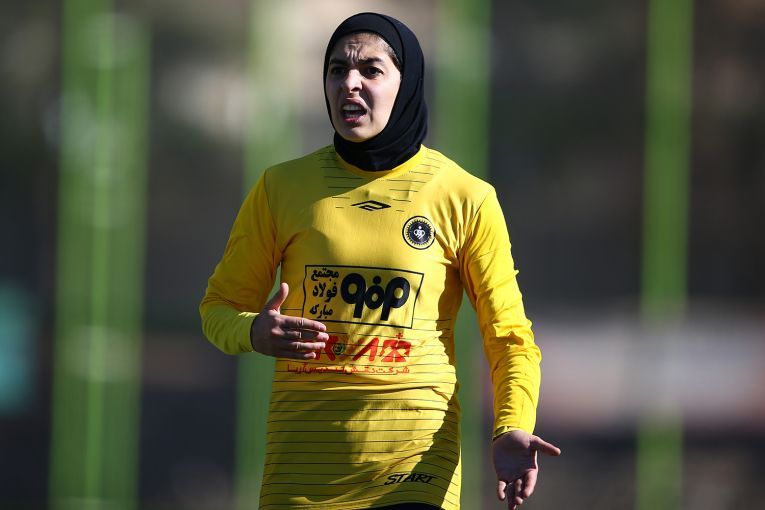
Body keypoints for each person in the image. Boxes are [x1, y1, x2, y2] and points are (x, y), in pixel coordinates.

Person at [200, 12, 560, 510]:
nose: (350, 83)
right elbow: (217, 310)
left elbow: (510, 336)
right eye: (337, 70)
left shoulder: (465, 197)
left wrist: (512, 424)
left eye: (370, 70)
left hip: (415, 464)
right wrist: (253, 332)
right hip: (302, 466)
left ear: (405, 84)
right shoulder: (281, 188)